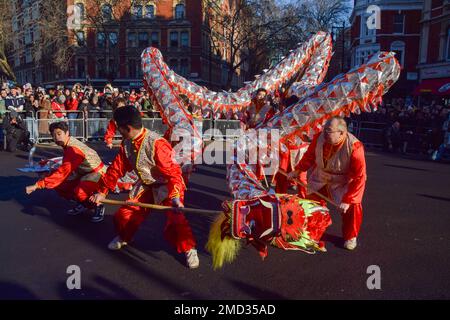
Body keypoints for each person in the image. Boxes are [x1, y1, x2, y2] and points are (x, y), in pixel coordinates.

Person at [90, 106, 199, 269]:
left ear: (127, 128)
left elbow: (174, 174)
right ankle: (125, 236)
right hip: (146, 184)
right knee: (123, 215)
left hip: (166, 186)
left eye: (118, 128)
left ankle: (189, 249)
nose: (117, 131)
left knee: (177, 219)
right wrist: (102, 191)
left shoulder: (157, 144)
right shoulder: (126, 144)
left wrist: (176, 197)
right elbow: (116, 169)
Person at [288, 116, 366, 250]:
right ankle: (312, 233)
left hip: (341, 182)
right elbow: (309, 156)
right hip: (320, 177)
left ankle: (350, 236)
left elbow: (360, 176)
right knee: (310, 204)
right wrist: (298, 170)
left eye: (329, 131)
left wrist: (348, 200)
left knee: (353, 207)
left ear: (341, 133)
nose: (324, 133)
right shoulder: (319, 137)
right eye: (324, 129)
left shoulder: (355, 146)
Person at [25, 121, 107, 223]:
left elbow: (62, 172)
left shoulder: (73, 149)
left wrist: (37, 185)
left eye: (59, 134)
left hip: (97, 174)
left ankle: (98, 205)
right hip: (82, 172)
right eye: (54, 135)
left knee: (80, 192)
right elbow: (65, 167)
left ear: (67, 133)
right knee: (61, 187)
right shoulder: (68, 144)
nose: (57, 138)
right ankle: (84, 203)